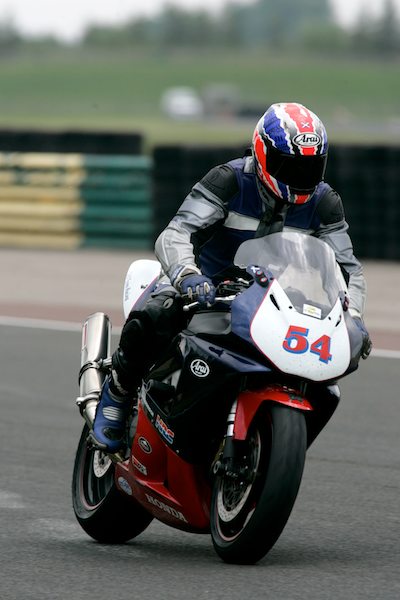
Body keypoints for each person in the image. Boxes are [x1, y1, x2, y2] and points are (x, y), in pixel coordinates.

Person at [90, 101, 372, 454]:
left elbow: (347, 270)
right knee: (159, 310)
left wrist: (353, 315)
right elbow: (177, 233)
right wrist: (187, 275)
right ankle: (118, 392)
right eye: (289, 165)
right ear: (262, 153)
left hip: (275, 298)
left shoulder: (324, 202)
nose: (300, 176)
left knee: (322, 376)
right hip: (205, 286)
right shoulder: (230, 180)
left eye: (310, 166)